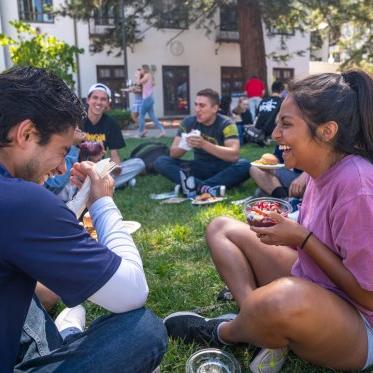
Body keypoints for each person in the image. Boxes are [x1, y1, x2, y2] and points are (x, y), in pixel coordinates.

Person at [164, 70, 373, 372]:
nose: (275, 135)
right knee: (221, 227)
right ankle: (263, 328)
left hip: (359, 324)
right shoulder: (319, 171)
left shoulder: (358, 185)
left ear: (327, 131)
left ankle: (227, 332)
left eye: (286, 124)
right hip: (316, 285)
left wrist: (301, 239)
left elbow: (368, 295)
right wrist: (286, 224)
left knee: (283, 297)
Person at [0, 66, 167, 372]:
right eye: (63, 152)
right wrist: (102, 202)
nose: (63, 168)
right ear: (25, 134)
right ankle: (65, 340)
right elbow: (132, 292)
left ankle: (62, 339)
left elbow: (20, 235)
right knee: (144, 332)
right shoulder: (19, 199)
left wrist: (79, 200)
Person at [154, 89, 251, 194]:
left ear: (214, 108)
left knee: (245, 164)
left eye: (202, 106)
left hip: (222, 168)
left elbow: (233, 155)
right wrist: (185, 144)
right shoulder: (188, 122)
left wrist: (204, 144)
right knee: (161, 161)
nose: (197, 109)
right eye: (196, 105)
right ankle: (206, 188)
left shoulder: (227, 123)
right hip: (199, 166)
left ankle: (193, 186)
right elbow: (173, 154)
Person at [83, 83, 145, 188]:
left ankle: (98, 185)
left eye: (103, 99)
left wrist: (115, 167)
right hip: (79, 167)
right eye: (95, 98)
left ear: (108, 103)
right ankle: (112, 184)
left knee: (139, 163)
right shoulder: (77, 121)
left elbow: (114, 155)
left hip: (100, 168)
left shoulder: (111, 124)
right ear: (88, 100)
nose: (99, 102)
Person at [137, 64, 166, 138]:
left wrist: (138, 75)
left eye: (141, 69)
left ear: (144, 69)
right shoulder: (150, 76)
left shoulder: (147, 75)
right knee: (153, 117)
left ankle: (141, 132)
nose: (141, 71)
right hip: (150, 98)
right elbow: (152, 84)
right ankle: (162, 131)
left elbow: (138, 82)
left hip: (147, 98)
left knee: (141, 115)